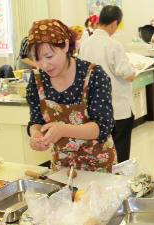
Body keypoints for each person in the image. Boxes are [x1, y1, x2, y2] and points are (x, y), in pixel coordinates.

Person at [26, 19, 116, 172]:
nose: (44, 65)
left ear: (66, 45)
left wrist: (63, 130)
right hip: (61, 167)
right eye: (37, 59)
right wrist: (36, 135)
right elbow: (36, 121)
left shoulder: (93, 75)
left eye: (49, 56)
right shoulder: (37, 80)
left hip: (98, 165)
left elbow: (102, 127)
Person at [79, 6, 135, 163]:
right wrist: (133, 69)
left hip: (95, 110)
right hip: (118, 109)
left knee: (100, 153)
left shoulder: (85, 44)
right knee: (120, 152)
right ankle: (120, 182)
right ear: (114, 23)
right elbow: (129, 75)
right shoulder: (114, 45)